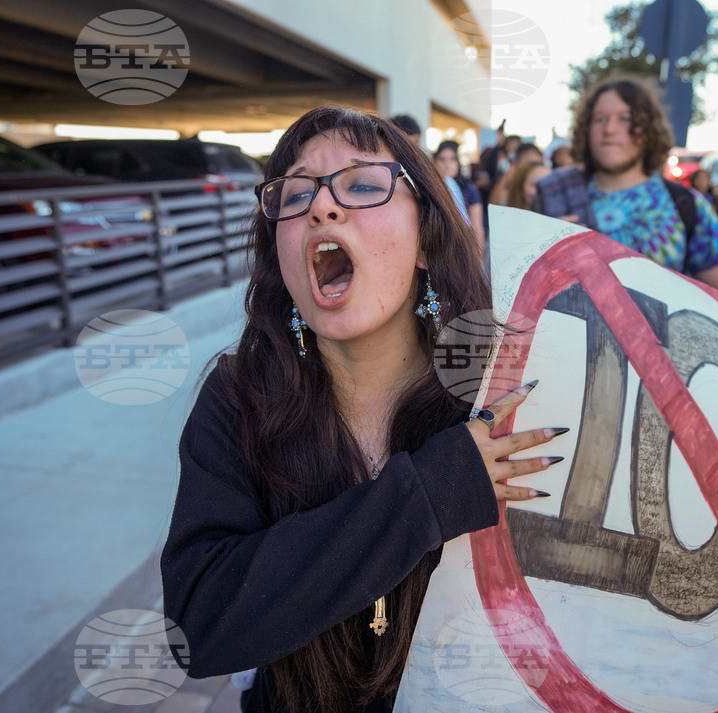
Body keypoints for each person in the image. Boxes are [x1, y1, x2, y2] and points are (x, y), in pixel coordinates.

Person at [160, 106, 568, 713]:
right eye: (297, 194)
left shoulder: (499, 393)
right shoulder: (239, 398)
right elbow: (200, 626)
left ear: (427, 239)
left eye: (364, 185)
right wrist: (426, 495)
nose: (323, 207)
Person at [534, 74, 718, 306]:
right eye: (600, 119)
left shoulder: (686, 204)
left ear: (648, 129)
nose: (609, 129)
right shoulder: (554, 197)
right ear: (586, 129)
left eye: (625, 119)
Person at [433, 139, 485, 246]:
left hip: (462, 245)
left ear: (458, 162)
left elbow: (477, 227)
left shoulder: (469, 189)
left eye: (452, 159)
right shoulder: (429, 188)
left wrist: (478, 257)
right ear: (435, 162)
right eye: (442, 159)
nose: (447, 164)